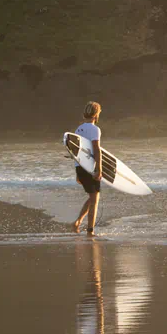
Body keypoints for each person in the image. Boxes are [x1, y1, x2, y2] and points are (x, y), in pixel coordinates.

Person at [73, 101, 104, 235]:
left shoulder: (78, 129)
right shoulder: (94, 129)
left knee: (92, 197)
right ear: (96, 114)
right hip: (90, 167)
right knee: (94, 200)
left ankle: (78, 222)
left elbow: (75, 151)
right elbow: (96, 149)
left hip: (80, 167)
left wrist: (77, 173)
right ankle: (90, 230)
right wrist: (99, 169)